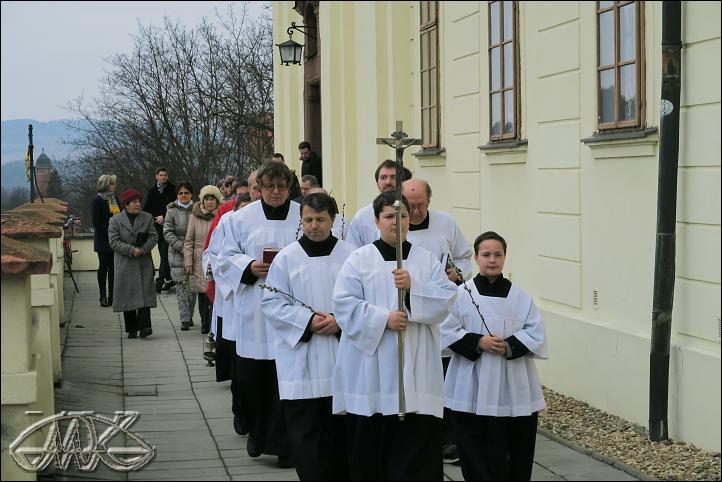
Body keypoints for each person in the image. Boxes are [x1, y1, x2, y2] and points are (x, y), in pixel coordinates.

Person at [332, 191, 458, 480]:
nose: (396, 222)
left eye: (401, 216)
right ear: (376, 221)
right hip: (371, 368)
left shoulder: (425, 260)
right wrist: (383, 319)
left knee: (415, 442)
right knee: (373, 446)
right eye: (389, 216)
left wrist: (414, 289)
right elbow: (343, 305)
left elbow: (448, 301)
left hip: (417, 364)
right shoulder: (359, 260)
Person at [261, 192, 354, 480]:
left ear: (334, 220)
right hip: (302, 361)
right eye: (309, 220)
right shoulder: (287, 259)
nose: (314, 226)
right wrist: (308, 320)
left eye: (321, 219)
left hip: (343, 358)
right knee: (307, 438)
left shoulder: (351, 255)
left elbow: (366, 300)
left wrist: (340, 321)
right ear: (301, 221)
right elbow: (272, 302)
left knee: (341, 437)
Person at [441, 231, 548, 481]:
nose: (492, 260)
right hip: (471, 384)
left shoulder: (520, 297)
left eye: (498, 254)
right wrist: (478, 341)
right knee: (474, 444)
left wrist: (509, 345)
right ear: (476, 257)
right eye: (486, 254)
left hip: (512, 383)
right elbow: (446, 330)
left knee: (514, 446)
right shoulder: (462, 295)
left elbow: (536, 333)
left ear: (505, 258)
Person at [218, 160, 301, 467]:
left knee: (287, 379)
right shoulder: (241, 218)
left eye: (281, 186)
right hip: (255, 306)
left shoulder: (300, 216)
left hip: (291, 304)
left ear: (288, 187)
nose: (276, 192)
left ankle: (285, 444)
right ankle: (257, 433)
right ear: (260, 188)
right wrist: (249, 267)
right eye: (269, 187)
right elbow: (224, 256)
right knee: (256, 379)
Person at [402, 178, 474, 464]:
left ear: (429, 202)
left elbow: (464, 258)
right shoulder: (395, 226)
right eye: (410, 206)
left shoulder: (446, 224)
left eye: (420, 205)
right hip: (411, 314)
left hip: (442, 311)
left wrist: (456, 273)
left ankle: (449, 439)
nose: (415, 212)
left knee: (445, 376)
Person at [109, 188, 158, 339]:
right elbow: (113, 241)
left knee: (145, 294)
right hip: (125, 262)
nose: (138, 204)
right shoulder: (115, 220)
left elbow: (154, 236)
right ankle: (131, 328)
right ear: (126, 204)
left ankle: (145, 326)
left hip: (143, 261)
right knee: (127, 294)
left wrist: (143, 249)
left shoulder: (147, 217)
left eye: (139, 201)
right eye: (134, 202)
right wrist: (131, 250)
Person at [345, 159, 412, 248]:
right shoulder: (362, 216)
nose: (388, 182)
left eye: (393, 177)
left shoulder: (413, 211)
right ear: (377, 183)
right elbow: (352, 248)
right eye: (383, 177)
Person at [184, 185, 221, 335]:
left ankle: (213, 324)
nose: (210, 202)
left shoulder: (222, 215)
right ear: (202, 200)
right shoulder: (195, 215)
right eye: (207, 199)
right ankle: (205, 324)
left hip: (217, 257)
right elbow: (188, 241)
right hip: (199, 257)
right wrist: (188, 262)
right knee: (202, 293)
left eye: (212, 199)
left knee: (215, 292)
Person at [163, 182, 195, 331]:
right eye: (181, 193)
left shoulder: (197, 209)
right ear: (177, 195)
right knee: (182, 287)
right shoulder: (171, 211)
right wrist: (182, 247)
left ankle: (190, 315)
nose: (183, 195)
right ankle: (184, 318)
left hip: (195, 253)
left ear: (191, 194)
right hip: (177, 253)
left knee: (193, 287)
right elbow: (167, 232)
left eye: (186, 193)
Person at [142, 167, 175, 293]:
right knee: (162, 255)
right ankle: (168, 278)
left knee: (165, 255)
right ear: (156, 176)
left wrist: (165, 216)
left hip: (169, 227)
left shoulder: (173, 189)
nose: (163, 177)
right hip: (155, 228)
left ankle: (160, 280)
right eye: (161, 175)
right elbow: (146, 209)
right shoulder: (152, 191)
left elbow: (175, 207)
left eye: (165, 175)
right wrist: (154, 218)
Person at [91, 174, 120, 307]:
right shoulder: (97, 201)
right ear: (106, 185)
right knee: (104, 267)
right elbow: (96, 222)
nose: (114, 186)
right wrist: (109, 230)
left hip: (116, 239)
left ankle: (113, 295)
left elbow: (120, 216)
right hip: (103, 239)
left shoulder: (115, 199)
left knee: (114, 268)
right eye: (112, 184)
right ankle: (102, 295)